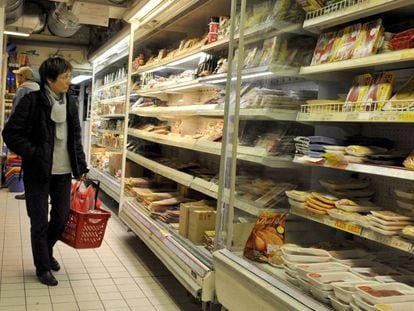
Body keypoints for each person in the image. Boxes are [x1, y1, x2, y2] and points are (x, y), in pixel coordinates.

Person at [2, 57, 88, 286]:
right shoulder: (32, 102)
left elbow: (75, 137)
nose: (69, 82)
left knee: (61, 218)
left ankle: (46, 250)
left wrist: (81, 166)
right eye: (64, 78)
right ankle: (42, 267)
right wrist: (35, 152)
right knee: (39, 221)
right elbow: (10, 134)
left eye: (69, 76)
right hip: (38, 173)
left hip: (63, 173)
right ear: (50, 80)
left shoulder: (70, 102)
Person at [11, 66, 40, 200]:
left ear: (23, 77)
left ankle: (28, 192)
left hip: (25, 133)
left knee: (28, 164)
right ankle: (35, 192)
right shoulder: (38, 89)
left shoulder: (23, 90)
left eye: (18, 76)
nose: (17, 79)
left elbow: (16, 113)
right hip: (37, 133)